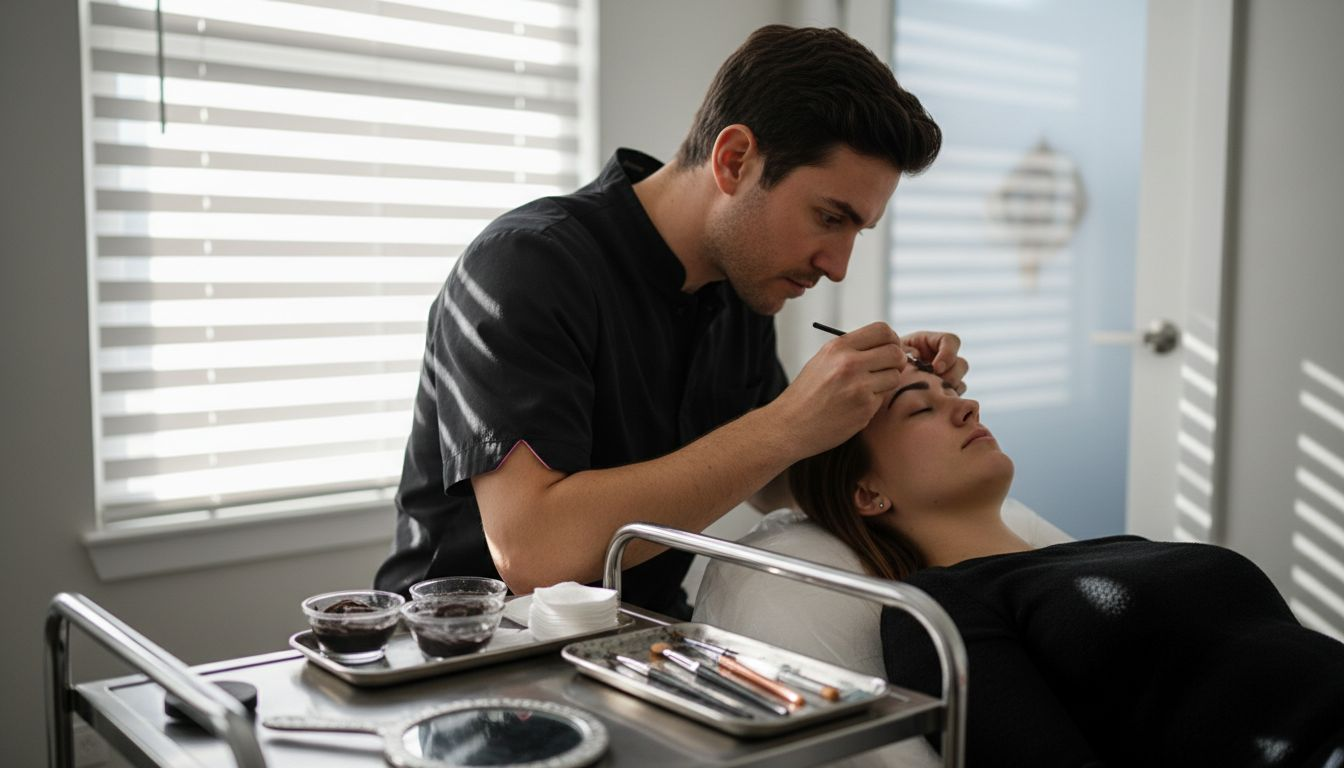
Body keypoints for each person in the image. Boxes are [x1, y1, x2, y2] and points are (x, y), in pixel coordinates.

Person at [374, 24, 964, 618]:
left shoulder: (741, 290)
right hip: (457, 658)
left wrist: (890, 405)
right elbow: (536, 554)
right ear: (735, 161)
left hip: (638, 648)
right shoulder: (526, 266)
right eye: (829, 217)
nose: (837, 267)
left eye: (856, 231)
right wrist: (787, 423)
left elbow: (778, 480)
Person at [788, 358, 1344, 767]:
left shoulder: (1119, 546)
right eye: (920, 407)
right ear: (867, 493)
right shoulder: (941, 606)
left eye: (951, 391)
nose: (967, 405)